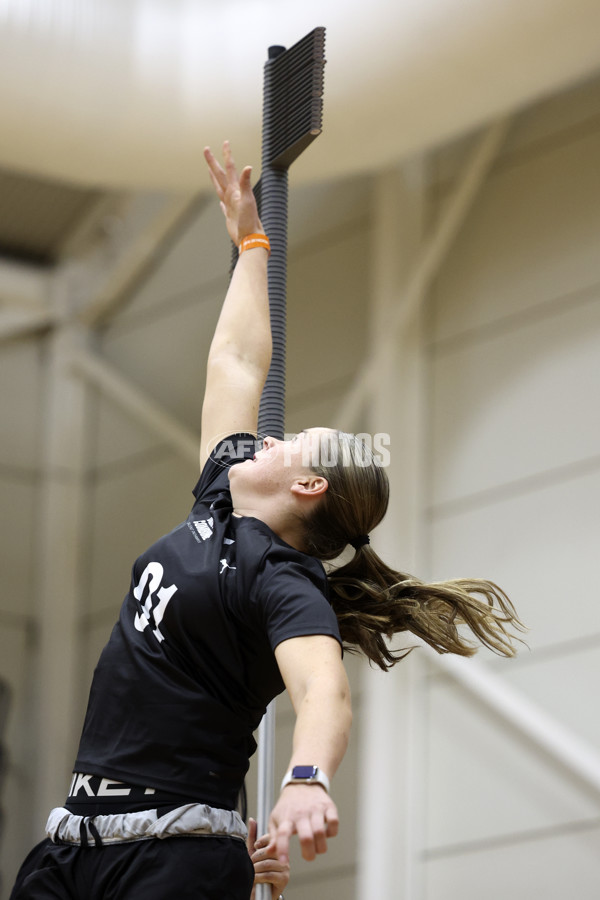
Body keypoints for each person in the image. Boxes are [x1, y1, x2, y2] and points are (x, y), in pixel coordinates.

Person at [10, 142, 524, 900]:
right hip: (73, 843)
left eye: (293, 441)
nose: (272, 437)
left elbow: (324, 692)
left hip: (170, 858)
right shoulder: (220, 491)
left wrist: (307, 780)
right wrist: (251, 243)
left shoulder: (283, 580)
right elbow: (238, 364)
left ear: (310, 483)